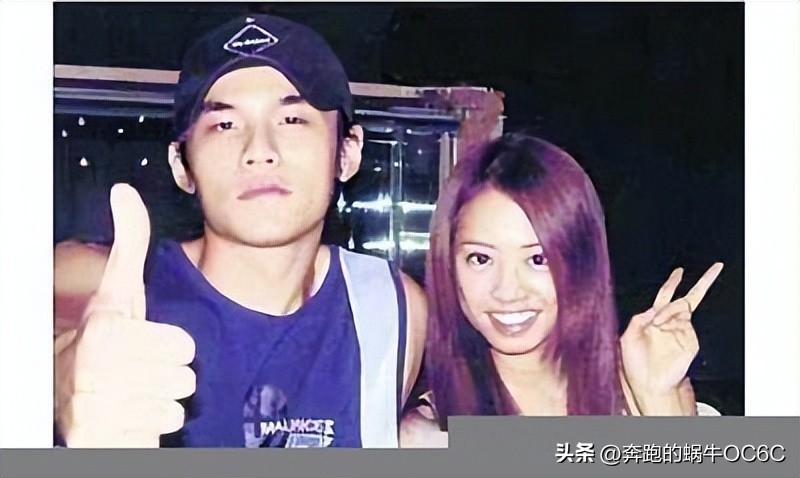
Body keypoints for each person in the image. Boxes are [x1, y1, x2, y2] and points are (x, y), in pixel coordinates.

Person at [53, 14, 427, 448]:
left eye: (292, 120)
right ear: (181, 166)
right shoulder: (96, 281)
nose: (259, 151)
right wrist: (57, 382)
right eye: (225, 125)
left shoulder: (391, 306)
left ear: (348, 153)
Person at [400, 133, 723, 447]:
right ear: (449, 265)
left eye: (538, 259)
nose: (508, 291)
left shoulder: (646, 391)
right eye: (481, 259)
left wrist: (660, 399)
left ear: (581, 262)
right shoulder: (428, 435)